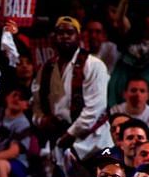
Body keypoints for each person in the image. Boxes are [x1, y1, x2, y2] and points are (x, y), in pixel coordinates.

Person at [32, 16, 111, 164]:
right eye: (60, 33)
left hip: (93, 142)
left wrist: (70, 134)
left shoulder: (94, 65)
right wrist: (42, 120)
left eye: (70, 33)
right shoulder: (46, 68)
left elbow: (95, 108)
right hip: (60, 140)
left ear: (79, 36)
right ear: (54, 37)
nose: (65, 37)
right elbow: (36, 104)